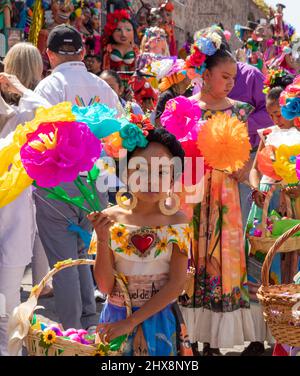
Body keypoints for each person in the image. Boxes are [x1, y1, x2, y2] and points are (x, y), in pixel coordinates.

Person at [33, 24, 123, 331]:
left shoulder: (49, 87)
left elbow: (37, 136)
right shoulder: (103, 87)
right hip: (97, 181)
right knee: (82, 250)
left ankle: (74, 332)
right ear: (83, 53)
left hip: (59, 182)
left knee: (64, 260)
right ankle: (88, 321)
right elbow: (120, 130)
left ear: (50, 55)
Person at [179, 29, 256, 356]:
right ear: (205, 75)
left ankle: (212, 340)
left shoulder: (239, 110)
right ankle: (189, 337)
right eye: (224, 76)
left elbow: (246, 152)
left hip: (226, 196)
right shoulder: (185, 107)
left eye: (233, 77)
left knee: (221, 259)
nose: (229, 82)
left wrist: (244, 169)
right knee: (190, 255)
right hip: (192, 188)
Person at [88, 127, 193, 356]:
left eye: (162, 171)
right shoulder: (109, 221)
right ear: (125, 173)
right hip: (115, 320)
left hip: (161, 322)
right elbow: (105, 287)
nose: (151, 180)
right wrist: (104, 238)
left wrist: (131, 322)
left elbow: (176, 285)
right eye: (140, 170)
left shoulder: (178, 222)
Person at [0, 43, 53, 356]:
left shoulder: (25, 114)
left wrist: (17, 87)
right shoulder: (25, 112)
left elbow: (43, 112)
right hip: (15, 219)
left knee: (7, 305)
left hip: (15, 219)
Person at [243, 72, 299, 356]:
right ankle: (257, 336)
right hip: (264, 204)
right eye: (272, 113)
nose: (276, 119)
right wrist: (256, 189)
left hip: (292, 205)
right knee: (260, 266)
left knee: (288, 267)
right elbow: (254, 169)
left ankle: (287, 335)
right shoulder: (266, 134)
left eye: (280, 113)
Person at [154, 58, 191, 127]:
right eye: (187, 72)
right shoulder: (166, 96)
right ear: (178, 76)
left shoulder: (189, 93)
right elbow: (158, 123)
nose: (191, 75)